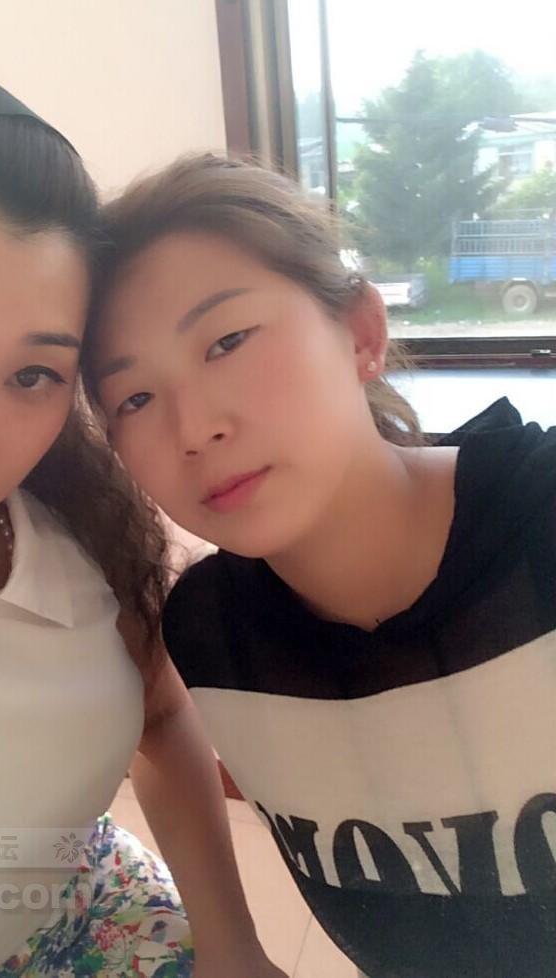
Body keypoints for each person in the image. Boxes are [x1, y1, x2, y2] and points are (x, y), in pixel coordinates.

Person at [0, 77, 286, 978]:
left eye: (32, 374)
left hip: (88, 899)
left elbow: (160, 717)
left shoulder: (77, 521)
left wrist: (234, 945)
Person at [82, 153, 556, 978]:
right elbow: (159, 732)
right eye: (135, 398)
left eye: (227, 341)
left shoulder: (537, 523)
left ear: (361, 333)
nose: (195, 427)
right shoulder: (212, 632)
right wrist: (229, 944)